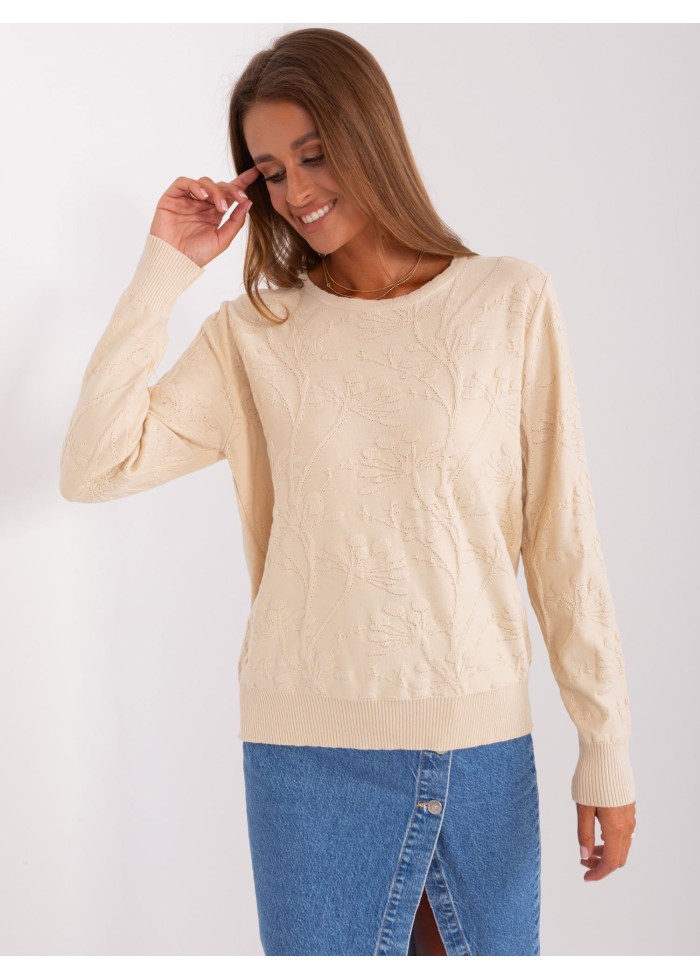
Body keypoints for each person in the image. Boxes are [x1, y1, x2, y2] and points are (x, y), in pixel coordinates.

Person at [59, 27, 637, 956]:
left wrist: (604, 744)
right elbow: (94, 464)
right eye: (270, 171)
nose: (296, 191)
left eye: (315, 154)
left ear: (372, 135)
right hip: (306, 759)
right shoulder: (257, 333)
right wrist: (167, 266)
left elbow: (561, 536)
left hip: (478, 746)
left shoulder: (509, 301)